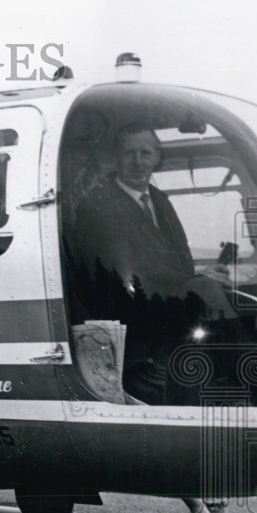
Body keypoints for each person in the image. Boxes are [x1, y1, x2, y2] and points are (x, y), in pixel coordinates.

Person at [70, 124, 233, 405]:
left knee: (223, 294)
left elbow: (181, 260)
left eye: (146, 153)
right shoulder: (98, 204)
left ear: (157, 157)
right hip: (132, 318)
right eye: (129, 153)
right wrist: (193, 282)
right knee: (206, 293)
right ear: (116, 158)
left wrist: (199, 277)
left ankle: (246, 374)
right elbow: (129, 274)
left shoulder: (160, 201)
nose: (138, 161)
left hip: (166, 307)